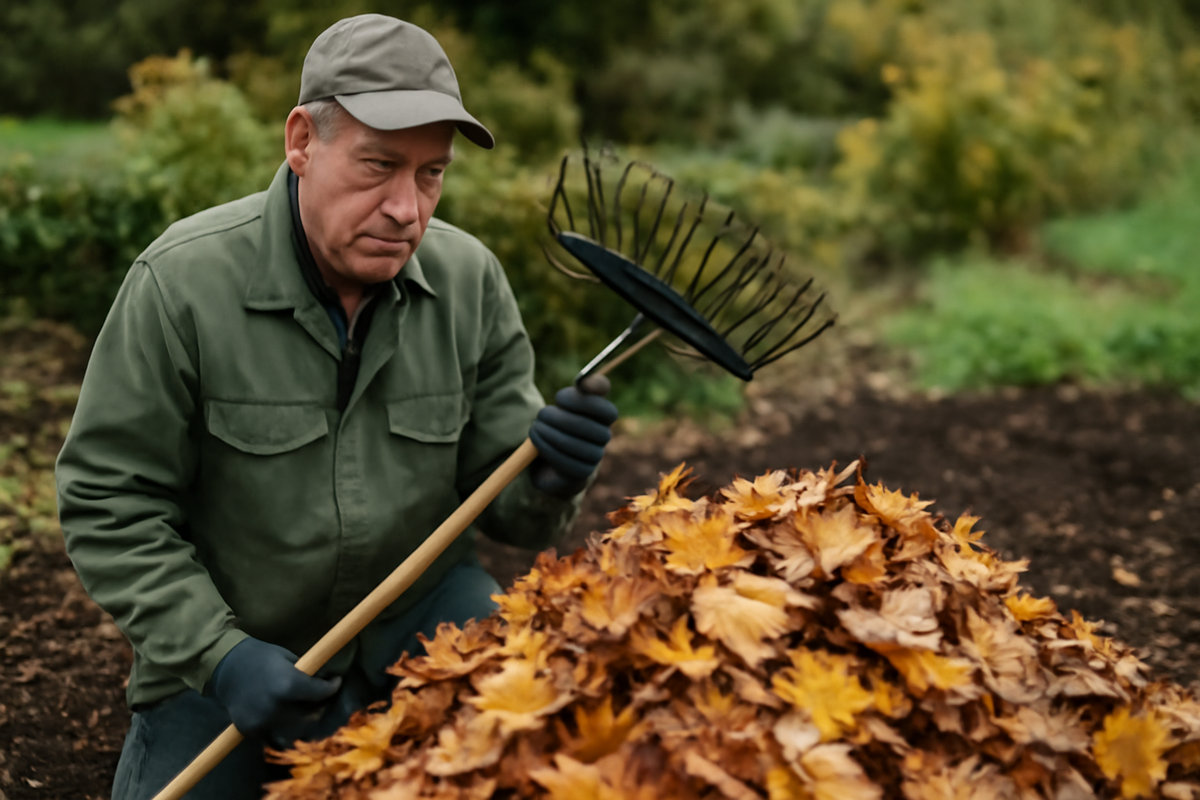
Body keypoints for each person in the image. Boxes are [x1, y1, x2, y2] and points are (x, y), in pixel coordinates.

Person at [54, 14, 618, 800]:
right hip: (240, 646)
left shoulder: (468, 281)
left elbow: (512, 510)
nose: (406, 209)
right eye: (378, 165)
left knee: (534, 753)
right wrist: (220, 655)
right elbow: (108, 501)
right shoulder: (182, 285)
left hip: (421, 621)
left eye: (431, 174)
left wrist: (553, 475)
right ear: (301, 142)